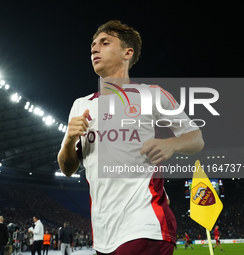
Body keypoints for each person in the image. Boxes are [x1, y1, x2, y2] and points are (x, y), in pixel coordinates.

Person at [58, 20, 204, 255]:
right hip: (103, 231)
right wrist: (68, 140)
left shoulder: (152, 95)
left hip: (145, 223)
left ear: (128, 52)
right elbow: (67, 168)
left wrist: (173, 143)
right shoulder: (81, 105)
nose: (95, 49)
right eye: (93, 45)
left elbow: (196, 138)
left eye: (105, 43)